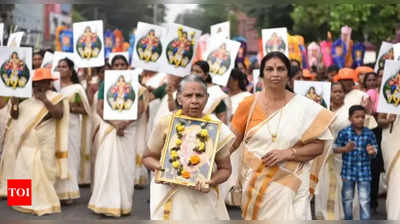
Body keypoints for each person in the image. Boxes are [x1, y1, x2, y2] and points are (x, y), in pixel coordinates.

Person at [231, 52, 334, 220]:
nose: (275, 74)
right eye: (269, 69)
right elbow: (230, 143)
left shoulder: (304, 107)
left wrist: (288, 153)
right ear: (262, 74)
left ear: (288, 74)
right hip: (255, 187)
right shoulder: (248, 104)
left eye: (281, 69)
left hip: (292, 185)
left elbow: (318, 146)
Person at [143, 74, 236, 220]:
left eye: (199, 96)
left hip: (202, 199)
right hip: (169, 196)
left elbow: (225, 169)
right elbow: (148, 157)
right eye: (188, 96)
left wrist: (210, 181)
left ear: (207, 97)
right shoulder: (165, 123)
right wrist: (161, 168)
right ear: (179, 98)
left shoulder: (216, 128)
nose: (194, 101)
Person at [0, 68, 69, 215]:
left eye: (42, 82)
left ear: (49, 83)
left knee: (44, 171)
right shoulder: (28, 100)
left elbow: (58, 114)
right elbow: (15, 115)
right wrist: (15, 103)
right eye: (36, 82)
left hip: (45, 141)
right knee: (22, 167)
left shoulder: (56, 97)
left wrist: (44, 99)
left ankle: (45, 202)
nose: (38, 85)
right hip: (26, 142)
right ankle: (21, 201)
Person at [89, 55, 147, 216]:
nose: (120, 67)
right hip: (109, 128)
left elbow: (140, 108)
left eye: (123, 64)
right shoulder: (105, 84)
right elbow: (99, 108)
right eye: (117, 65)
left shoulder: (135, 84)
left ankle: (122, 204)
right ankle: (102, 203)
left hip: (128, 130)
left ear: (127, 67)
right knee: (105, 165)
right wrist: (115, 124)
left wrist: (125, 123)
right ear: (112, 67)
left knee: (125, 167)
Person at [54, 58, 91, 204]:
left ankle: (69, 193)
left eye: (64, 67)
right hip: (56, 127)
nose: (61, 69)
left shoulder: (77, 88)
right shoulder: (53, 86)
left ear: (70, 70)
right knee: (57, 158)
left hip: (72, 128)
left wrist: (68, 107)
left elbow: (85, 110)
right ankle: (57, 192)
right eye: (59, 66)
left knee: (70, 158)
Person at [333, 105, 378, 220]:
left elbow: (375, 151)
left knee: (364, 201)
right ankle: (348, 220)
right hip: (348, 173)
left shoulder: (369, 133)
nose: (360, 119)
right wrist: (345, 149)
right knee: (347, 200)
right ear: (350, 118)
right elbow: (334, 148)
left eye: (362, 117)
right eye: (357, 117)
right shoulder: (344, 133)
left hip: (365, 173)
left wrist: (372, 151)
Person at [220, 68, 251, 206]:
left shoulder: (246, 96)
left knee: (237, 166)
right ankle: (225, 196)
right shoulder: (223, 97)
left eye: (230, 79)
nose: (227, 82)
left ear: (236, 81)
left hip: (240, 139)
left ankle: (236, 195)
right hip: (225, 136)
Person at [378, 113, 399, 220]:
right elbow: (379, 121)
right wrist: (388, 121)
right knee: (396, 180)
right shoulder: (391, 96)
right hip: (392, 142)